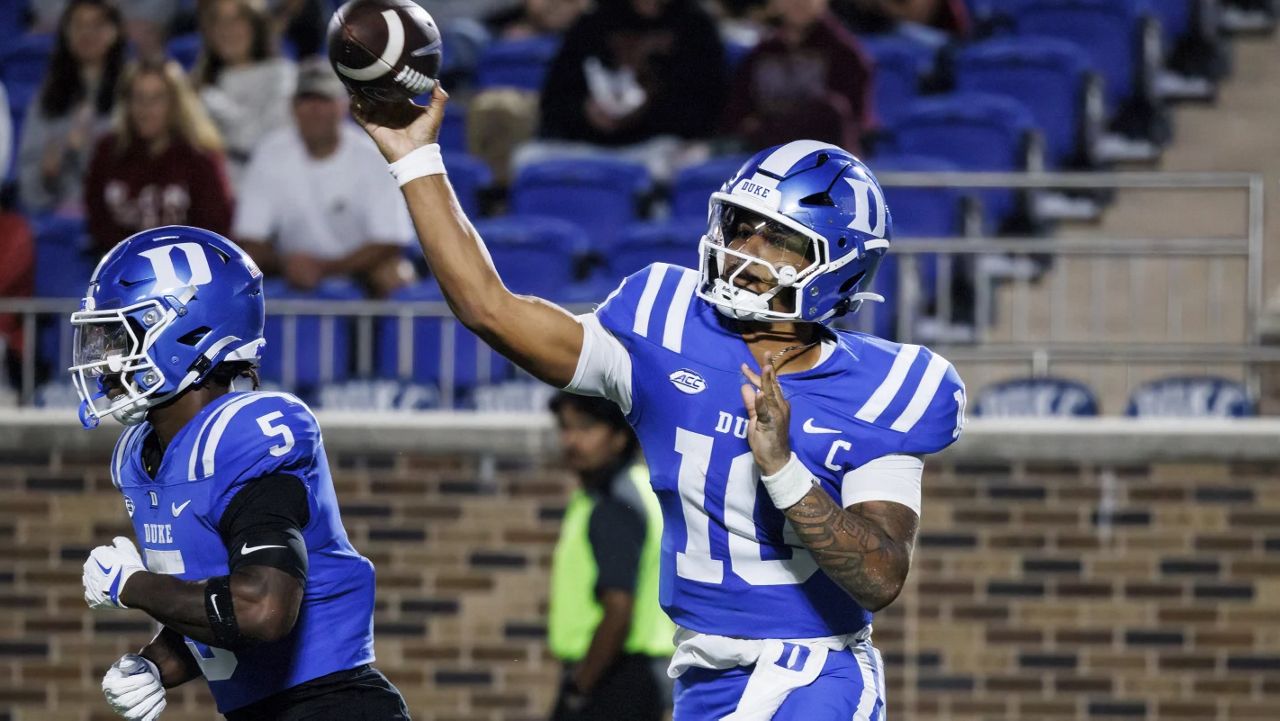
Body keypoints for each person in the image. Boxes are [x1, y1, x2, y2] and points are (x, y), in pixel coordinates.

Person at [353, 86, 965, 718]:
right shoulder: (664, 324)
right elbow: (490, 309)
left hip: (815, 677)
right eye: (741, 227)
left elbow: (881, 575)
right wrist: (415, 157)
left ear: (837, 265)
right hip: (702, 679)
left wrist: (784, 471)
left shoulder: (887, 388)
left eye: (776, 238)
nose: (745, 251)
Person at [73, 225, 412, 721]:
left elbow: (263, 609)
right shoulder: (144, 455)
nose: (106, 361)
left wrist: (133, 585)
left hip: (332, 705)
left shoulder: (246, 435)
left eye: (121, 336)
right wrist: (158, 664)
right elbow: (219, 601)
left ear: (186, 333)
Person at [234, 59, 413, 298]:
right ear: (293, 107)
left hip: (361, 269)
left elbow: (391, 239)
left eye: (324, 100)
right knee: (238, 270)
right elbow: (250, 237)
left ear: (343, 106)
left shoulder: (371, 155)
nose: (315, 110)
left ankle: (377, 336)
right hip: (288, 267)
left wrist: (326, 269)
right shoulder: (271, 151)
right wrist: (286, 264)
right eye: (307, 100)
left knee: (395, 274)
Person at [547, 392, 673, 721]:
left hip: (615, 677)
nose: (571, 440)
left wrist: (579, 688)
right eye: (565, 427)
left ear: (619, 436)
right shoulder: (640, 488)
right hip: (639, 676)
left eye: (586, 428)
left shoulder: (613, 502)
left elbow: (618, 608)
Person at [83, 60, 233, 254]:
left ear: (175, 104)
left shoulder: (201, 158)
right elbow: (97, 220)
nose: (146, 109)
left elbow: (215, 230)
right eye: (138, 98)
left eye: (157, 98)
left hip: (191, 272)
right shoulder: (107, 151)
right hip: (121, 270)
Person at [538, 0, 727, 148]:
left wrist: (645, 114)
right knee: (530, 158)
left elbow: (707, 108)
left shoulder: (695, 26)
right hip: (590, 143)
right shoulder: (594, 23)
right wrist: (585, 111)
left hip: (660, 144)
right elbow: (555, 101)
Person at [722, 0, 876, 154]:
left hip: (826, 158)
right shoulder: (761, 54)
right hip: (765, 154)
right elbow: (738, 114)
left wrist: (768, 126)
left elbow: (847, 118)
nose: (797, 3)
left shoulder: (844, 53)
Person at [18, 0, 126, 215]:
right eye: (78, 24)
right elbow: (28, 183)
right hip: (64, 212)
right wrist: (48, 173)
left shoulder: (133, 93)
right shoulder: (47, 99)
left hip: (122, 213)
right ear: (66, 33)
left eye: (97, 24)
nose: (87, 33)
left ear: (115, 31)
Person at [192, 0, 296, 186]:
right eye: (219, 21)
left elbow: (267, 141)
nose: (227, 30)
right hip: (214, 196)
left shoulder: (282, 75)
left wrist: (209, 101)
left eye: (236, 20)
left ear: (256, 26)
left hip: (270, 190)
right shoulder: (200, 84)